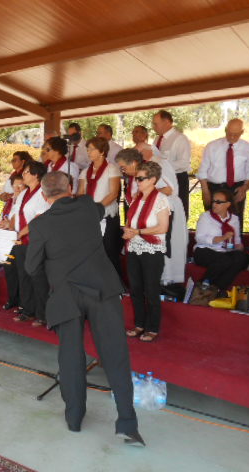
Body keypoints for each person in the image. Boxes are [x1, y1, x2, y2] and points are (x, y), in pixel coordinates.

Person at [25, 171, 144, 446]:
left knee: (71, 356)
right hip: (102, 289)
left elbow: (31, 268)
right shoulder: (89, 207)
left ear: (43, 195)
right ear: (70, 187)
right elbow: (97, 205)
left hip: (66, 294)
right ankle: (127, 423)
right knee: (115, 355)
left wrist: (53, 270)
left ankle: (75, 418)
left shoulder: (40, 224)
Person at [116, 147, 187, 285]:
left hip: (162, 210)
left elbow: (168, 189)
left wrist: (145, 195)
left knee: (165, 246)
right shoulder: (135, 175)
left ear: (133, 163)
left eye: (124, 168)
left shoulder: (150, 170)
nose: (123, 171)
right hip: (147, 212)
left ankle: (164, 281)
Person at [123, 161, 171, 343]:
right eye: (136, 178)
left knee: (151, 289)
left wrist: (138, 232)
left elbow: (163, 227)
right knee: (136, 289)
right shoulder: (137, 198)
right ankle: (139, 324)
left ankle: (152, 327)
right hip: (134, 246)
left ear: (153, 179)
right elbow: (131, 221)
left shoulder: (161, 199)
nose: (137, 181)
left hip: (152, 249)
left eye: (141, 178)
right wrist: (129, 231)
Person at [10, 161, 50, 326]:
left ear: (36, 175)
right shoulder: (24, 192)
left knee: (38, 278)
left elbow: (40, 218)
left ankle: (43, 314)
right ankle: (27, 310)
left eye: (26, 172)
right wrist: (10, 226)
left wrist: (22, 232)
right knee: (24, 276)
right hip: (20, 241)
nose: (23, 174)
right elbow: (17, 214)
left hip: (35, 241)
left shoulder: (42, 192)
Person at [197, 118, 249, 232]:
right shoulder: (212, 146)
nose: (232, 137)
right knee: (213, 223)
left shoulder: (248, 148)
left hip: (237, 189)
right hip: (214, 188)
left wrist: (245, 187)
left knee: (235, 223)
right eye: (229, 133)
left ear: (242, 132)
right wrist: (205, 192)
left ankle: (234, 243)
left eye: (236, 134)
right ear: (225, 130)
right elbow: (203, 171)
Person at [77, 137, 122, 275]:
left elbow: (113, 194)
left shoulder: (112, 169)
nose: (88, 152)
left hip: (107, 215)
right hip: (89, 216)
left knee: (109, 251)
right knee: (91, 251)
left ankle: (115, 283)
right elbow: (80, 193)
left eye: (92, 149)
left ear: (102, 151)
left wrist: (97, 209)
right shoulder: (85, 171)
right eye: (87, 149)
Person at [194, 189, 249, 295]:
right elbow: (199, 238)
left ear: (228, 204)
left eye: (218, 202)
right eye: (213, 201)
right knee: (225, 260)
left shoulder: (234, 219)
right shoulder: (206, 216)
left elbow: (237, 240)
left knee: (241, 258)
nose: (214, 204)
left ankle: (218, 288)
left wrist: (238, 246)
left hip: (224, 251)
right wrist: (221, 238)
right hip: (204, 250)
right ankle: (203, 286)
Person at [152, 110, 192, 218]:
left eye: (156, 124)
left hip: (177, 179)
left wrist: (163, 166)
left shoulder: (180, 138)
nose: (153, 127)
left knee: (177, 214)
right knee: (163, 212)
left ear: (166, 122)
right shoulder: (157, 139)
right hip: (161, 180)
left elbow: (184, 163)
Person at [0, 174, 26, 311]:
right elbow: (3, 218)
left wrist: (10, 224)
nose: (17, 188)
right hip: (7, 240)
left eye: (20, 185)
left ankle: (22, 302)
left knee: (21, 272)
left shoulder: (25, 201)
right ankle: (12, 299)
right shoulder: (10, 201)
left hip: (20, 240)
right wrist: (1, 224)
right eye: (15, 185)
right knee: (10, 271)